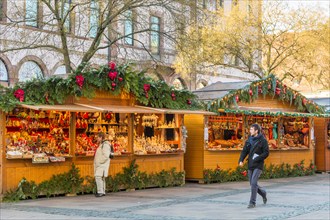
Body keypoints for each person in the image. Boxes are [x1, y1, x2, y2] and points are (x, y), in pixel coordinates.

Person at [239, 124, 269, 208]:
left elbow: (266, 153)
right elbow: (244, 151)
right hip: (250, 164)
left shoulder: (263, 140)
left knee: (253, 183)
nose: (250, 131)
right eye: (250, 129)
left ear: (256, 131)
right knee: (252, 184)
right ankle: (263, 193)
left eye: (252, 129)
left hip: (258, 165)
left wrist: (258, 158)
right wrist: (241, 160)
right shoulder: (249, 140)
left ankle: (252, 202)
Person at [94, 132, 111, 197]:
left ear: (101, 137)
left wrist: (99, 161)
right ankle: (102, 191)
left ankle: (100, 191)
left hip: (102, 164)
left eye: (98, 137)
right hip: (101, 164)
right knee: (101, 177)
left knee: (98, 177)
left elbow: (106, 156)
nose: (97, 139)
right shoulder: (103, 144)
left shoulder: (105, 145)